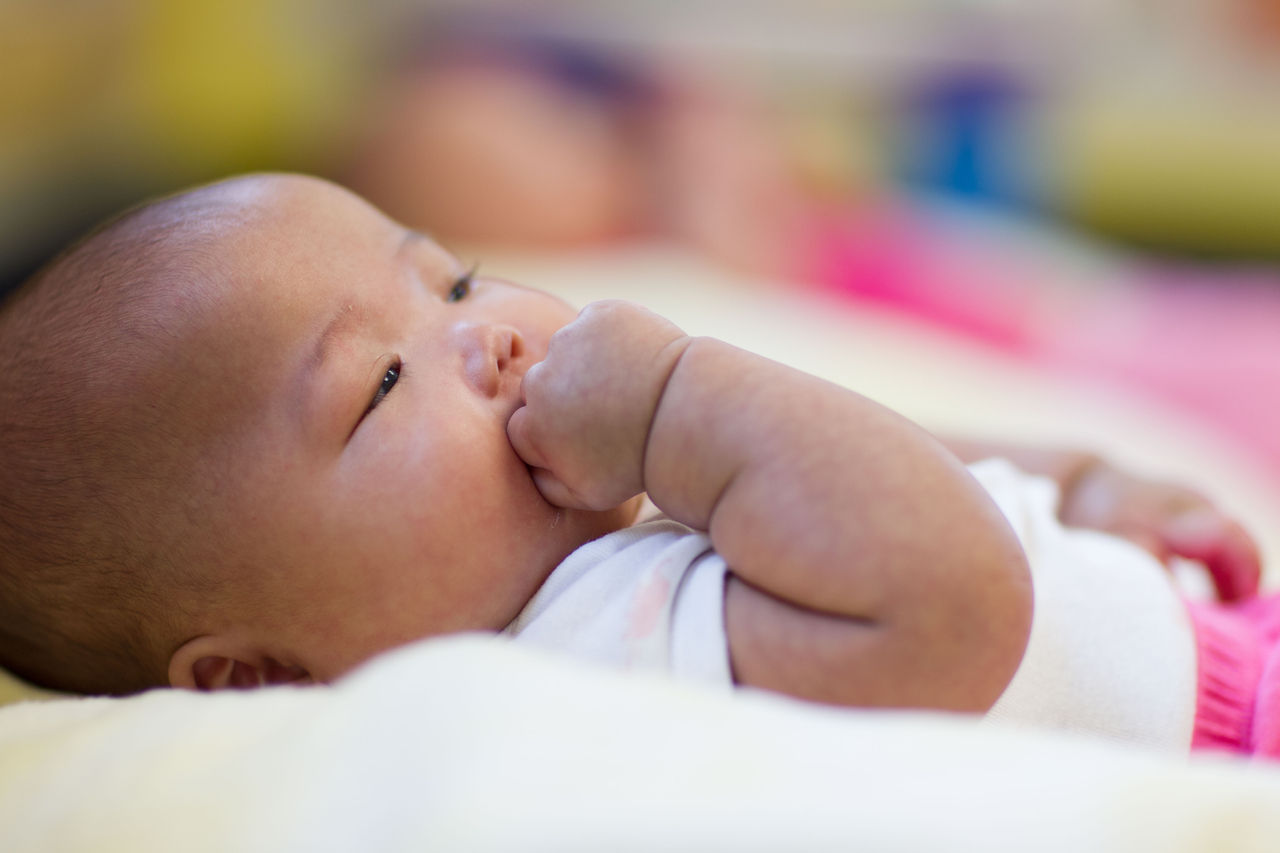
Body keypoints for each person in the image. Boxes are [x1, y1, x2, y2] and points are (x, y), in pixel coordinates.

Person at [0, 174, 1268, 757]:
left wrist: (1075, 481)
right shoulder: (582, 663)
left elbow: (870, 446)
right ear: (258, 678)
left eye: (451, 280)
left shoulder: (620, 520)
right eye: (378, 385)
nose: (486, 335)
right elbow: (947, 598)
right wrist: (672, 400)